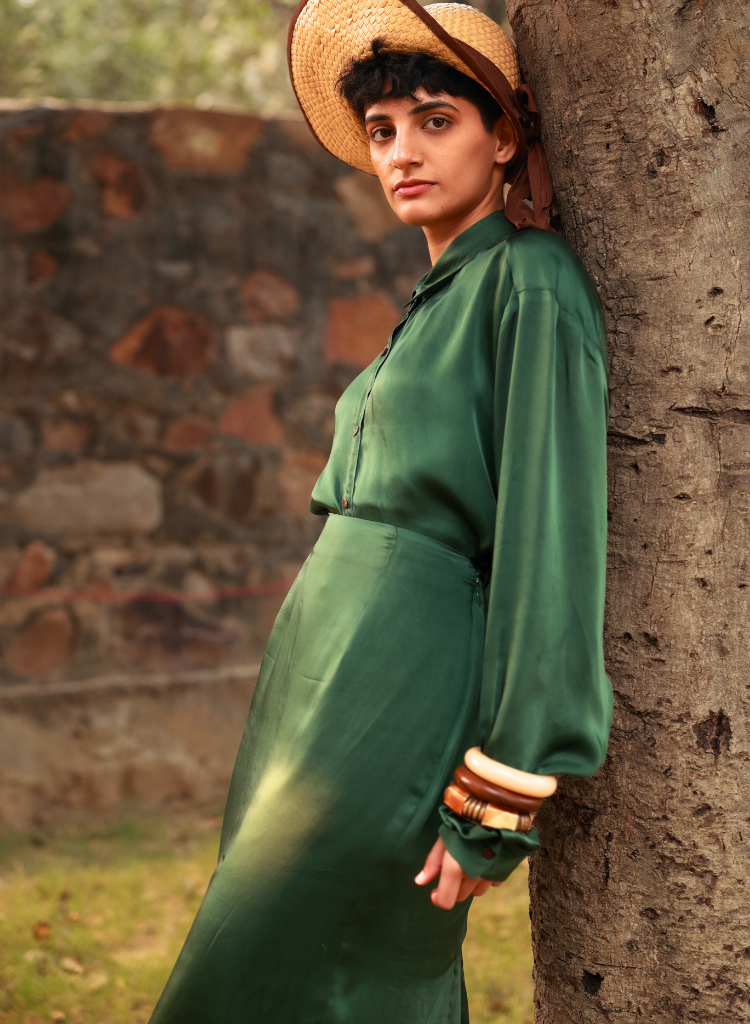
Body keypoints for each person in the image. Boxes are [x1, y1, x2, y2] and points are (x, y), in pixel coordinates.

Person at [148, 2, 612, 1021]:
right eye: (383, 130)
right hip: (314, 683)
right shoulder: (435, 296)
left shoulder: (530, 283)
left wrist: (504, 784)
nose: (403, 151)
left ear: (504, 137)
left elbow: (553, 537)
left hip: (404, 686)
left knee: (260, 978)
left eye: (436, 121)